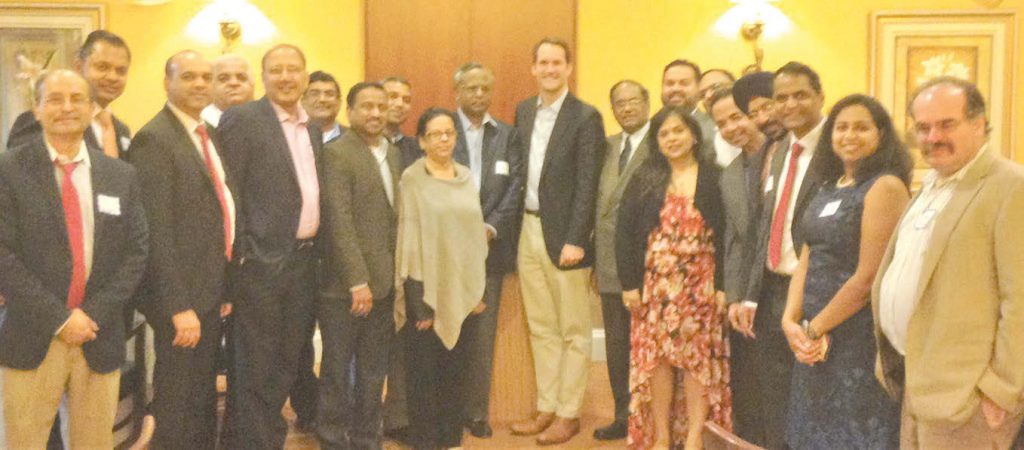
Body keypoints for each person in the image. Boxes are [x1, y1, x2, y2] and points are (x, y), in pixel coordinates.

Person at [0, 69, 148, 449]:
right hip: (32, 334)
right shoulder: (8, 171)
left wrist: (90, 314)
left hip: (97, 335)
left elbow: (136, 252)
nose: (66, 108)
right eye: (54, 99)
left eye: (76, 99)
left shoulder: (121, 175)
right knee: (24, 442)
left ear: (91, 107)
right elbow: (3, 255)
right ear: (37, 109)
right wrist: (60, 319)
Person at [875, 77, 1024, 449]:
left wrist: (1001, 391)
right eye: (923, 128)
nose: (932, 137)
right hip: (919, 387)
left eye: (946, 124)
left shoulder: (1010, 187)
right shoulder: (932, 185)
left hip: (969, 402)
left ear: (978, 123)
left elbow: (1020, 300)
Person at [779, 94, 911, 449]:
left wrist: (814, 327)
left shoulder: (885, 186)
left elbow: (868, 277)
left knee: (852, 433)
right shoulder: (827, 186)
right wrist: (790, 322)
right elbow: (806, 256)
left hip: (855, 336)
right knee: (812, 431)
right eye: (841, 127)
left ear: (881, 135)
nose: (849, 135)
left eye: (861, 127)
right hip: (813, 337)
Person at [126, 50, 237, 449]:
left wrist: (224, 289)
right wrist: (177, 305)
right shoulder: (154, 139)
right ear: (167, 82)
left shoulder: (208, 132)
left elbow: (217, 212)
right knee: (177, 399)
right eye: (188, 76)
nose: (198, 84)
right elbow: (155, 230)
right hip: (180, 300)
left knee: (201, 394)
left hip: (208, 291)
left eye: (206, 77)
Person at [218, 44, 323, 450]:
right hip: (260, 266)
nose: (285, 77)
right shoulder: (243, 119)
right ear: (264, 77)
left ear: (305, 76)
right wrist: (245, 254)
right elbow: (232, 193)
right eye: (276, 70)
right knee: (255, 367)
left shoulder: (310, 125)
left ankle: (264, 439)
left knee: (286, 364)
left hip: (302, 264)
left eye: (293, 69)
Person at [616, 105, 730, 450]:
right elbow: (623, 232)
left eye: (678, 131)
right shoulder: (645, 177)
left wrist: (723, 285)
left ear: (694, 135)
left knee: (696, 361)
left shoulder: (715, 176)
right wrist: (629, 284)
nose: (672, 138)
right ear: (657, 141)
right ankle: (662, 436)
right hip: (656, 284)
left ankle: (695, 434)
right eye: (664, 133)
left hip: (701, 283)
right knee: (659, 360)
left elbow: (727, 234)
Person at [509, 37, 604, 446]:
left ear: (569, 68)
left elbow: (588, 182)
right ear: (533, 68)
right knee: (542, 328)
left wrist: (577, 237)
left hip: (566, 238)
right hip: (527, 231)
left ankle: (568, 413)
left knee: (573, 331)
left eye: (556, 63)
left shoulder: (586, 117)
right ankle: (546, 407)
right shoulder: (524, 111)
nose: (549, 69)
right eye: (542, 62)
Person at [742, 61, 827, 449]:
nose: (790, 104)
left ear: (820, 97)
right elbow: (764, 227)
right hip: (773, 291)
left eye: (800, 95)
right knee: (774, 397)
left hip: (817, 294)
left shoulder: (836, 148)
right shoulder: (778, 152)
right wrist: (750, 293)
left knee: (815, 398)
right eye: (781, 98)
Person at [394, 107, 488, 449]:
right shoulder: (412, 179)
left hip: (463, 293)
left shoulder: (465, 176)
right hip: (426, 293)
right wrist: (419, 303)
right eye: (435, 134)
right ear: (421, 141)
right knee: (424, 376)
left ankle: (450, 439)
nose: (444, 139)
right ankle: (426, 442)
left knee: (456, 372)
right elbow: (409, 241)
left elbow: (473, 239)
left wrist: (475, 290)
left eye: (449, 132)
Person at [317, 81, 400, 450]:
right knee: (336, 370)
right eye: (366, 106)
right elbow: (339, 220)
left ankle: (368, 439)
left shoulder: (393, 153)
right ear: (349, 112)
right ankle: (333, 440)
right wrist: (357, 282)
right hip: (345, 289)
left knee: (372, 371)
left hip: (384, 285)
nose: (376, 113)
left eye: (381, 106)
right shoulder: (337, 153)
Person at [451, 62, 522, 439]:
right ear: (457, 93)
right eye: (471, 88)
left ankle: (475, 412)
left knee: (482, 334)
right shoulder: (442, 129)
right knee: (447, 328)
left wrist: (490, 226)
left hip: (490, 249)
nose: (479, 95)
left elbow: (515, 187)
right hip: (447, 250)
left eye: (484, 88)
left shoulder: (507, 135)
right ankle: (446, 407)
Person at [708, 85, 769, 445]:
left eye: (736, 117)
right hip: (742, 291)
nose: (731, 128)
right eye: (721, 124)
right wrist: (731, 294)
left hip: (778, 287)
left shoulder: (785, 159)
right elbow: (731, 238)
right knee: (746, 379)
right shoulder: (729, 174)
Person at [593, 79, 651, 441]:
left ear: (647, 103)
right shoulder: (608, 147)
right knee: (617, 346)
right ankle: (622, 415)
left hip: (647, 264)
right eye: (619, 103)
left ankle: (650, 416)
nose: (626, 108)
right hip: (609, 262)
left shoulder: (662, 141)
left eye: (633, 101)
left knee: (648, 347)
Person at [7, 30, 133, 158]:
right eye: (102, 67)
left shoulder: (121, 130)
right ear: (78, 67)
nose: (112, 77)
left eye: (121, 71)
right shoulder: (44, 119)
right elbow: (18, 171)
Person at [660, 59, 715, 162]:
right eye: (669, 84)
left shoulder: (714, 127)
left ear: (699, 89)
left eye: (684, 83)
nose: (675, 89)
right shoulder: (653, 129)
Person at [201, 54, 254, 128]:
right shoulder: (201, 123)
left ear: (252, 84)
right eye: (223, 78)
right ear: (210, 86)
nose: (234, 83)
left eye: (241, 78)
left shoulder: (268, 120)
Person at [382, 77, 423, 170]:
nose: (400, 104)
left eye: (406, 100)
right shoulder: (362, 144)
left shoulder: (416, 148)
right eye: (392, 96)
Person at [303, 70, 348, 144]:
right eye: (314, 94)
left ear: (339, 102)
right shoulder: (292, 136)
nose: (322, 99)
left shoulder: (354, 139)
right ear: (303, 101)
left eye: (329, 94)